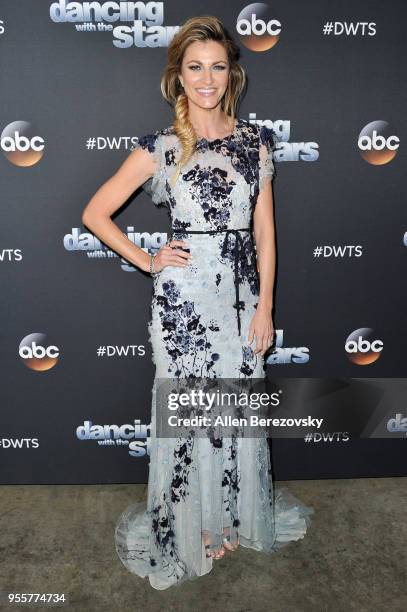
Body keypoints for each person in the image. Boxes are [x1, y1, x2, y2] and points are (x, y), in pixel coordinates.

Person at [82, 15, 313, 590]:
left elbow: (266, 232)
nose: (206, 78)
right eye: (194, 68)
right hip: (184, 304)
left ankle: (228, 517)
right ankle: (191, 527)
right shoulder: (162, 147)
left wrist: (265, 308)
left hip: (241, 300)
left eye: (216, 66)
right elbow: (95, 214)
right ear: (177, 78)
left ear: (230, 73)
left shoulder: (255, 141)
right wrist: (149, 258)